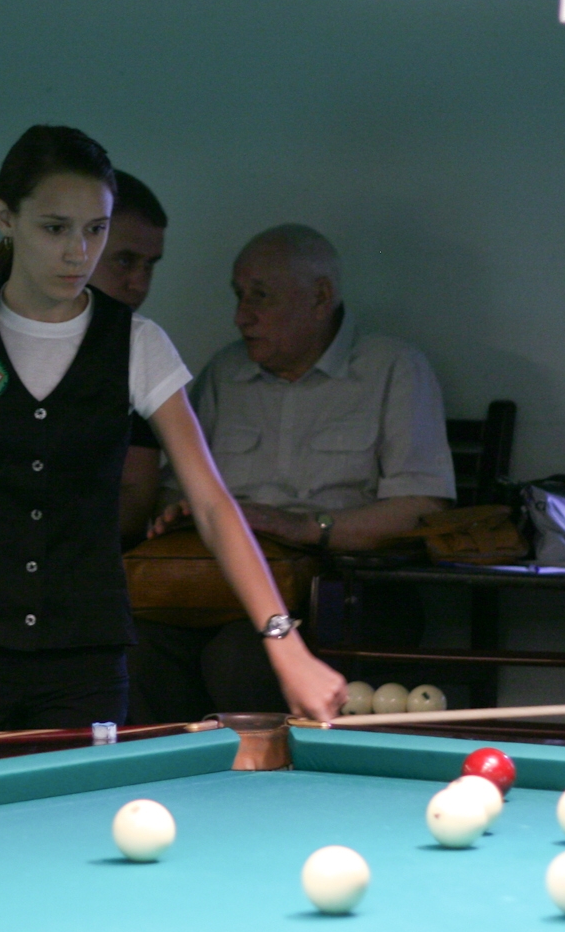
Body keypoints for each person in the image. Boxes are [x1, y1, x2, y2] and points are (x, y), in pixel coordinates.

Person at [0, 127, 345, 764]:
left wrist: (284, 643)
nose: (78, 252)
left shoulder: (138, 343)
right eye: (55, 228)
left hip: (85, 665)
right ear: (6, 218)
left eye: (95, 229)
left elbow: (214, 507)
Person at [128, 223, 455, 722]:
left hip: (346, 588)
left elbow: (422, 509)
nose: (241, 316)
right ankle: (185, 771)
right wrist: (178, 512)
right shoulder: (225, 373)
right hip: (220, 586)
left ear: (320, 297)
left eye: (260, 296)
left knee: (241, 658)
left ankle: (266, 772)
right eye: (239, 295)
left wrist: (300, 527)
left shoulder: (393, 367)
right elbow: (174, 488)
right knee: (136, 649)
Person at [0, 168, 170, 543]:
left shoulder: (133, 343)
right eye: (124, 260)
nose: (139, 283)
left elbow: (135, 498)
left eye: (150, 265)